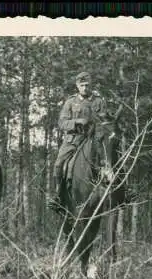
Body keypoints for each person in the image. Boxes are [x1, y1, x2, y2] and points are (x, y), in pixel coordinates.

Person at [47, 71, 108, 213]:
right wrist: (77, 122)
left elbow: (106, 121)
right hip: (74, 140)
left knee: (113, 156)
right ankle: (58, 196)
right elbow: (62, 123)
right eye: (82, 85)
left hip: (95, 139)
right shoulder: (70, 102)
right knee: (59, 163)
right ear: (77, 86)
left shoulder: (99, 101)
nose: (85, 88)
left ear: (91, 84)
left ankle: (123, 192)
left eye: (87, 85)